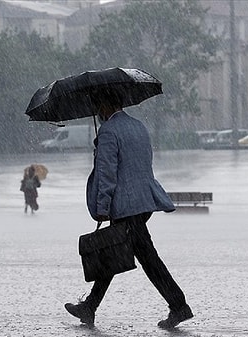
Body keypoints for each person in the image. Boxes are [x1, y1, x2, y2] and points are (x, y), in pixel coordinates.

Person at [64, 90, 193, 329]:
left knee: (147, 258)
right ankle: (90, 306)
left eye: (97, 105)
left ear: (105, 103)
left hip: (125, 206)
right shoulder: (138, 126)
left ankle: (179, 305)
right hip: (143, 202)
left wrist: (102, 207)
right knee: (113, 253)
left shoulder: (109, 131)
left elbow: (107, 174)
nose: (97, 112)